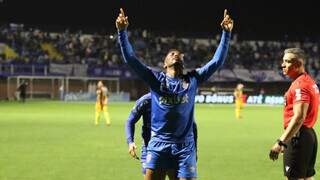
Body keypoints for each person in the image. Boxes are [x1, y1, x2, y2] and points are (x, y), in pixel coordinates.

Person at [117, 8, 233, 180]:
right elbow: (131, 59)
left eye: (178, 54)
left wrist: (226, 33)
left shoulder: (193, 79)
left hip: (185, 148)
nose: (175, 54)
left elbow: (216, 62)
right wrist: (122, 32)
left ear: (183, 62)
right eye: (171, 54)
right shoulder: (155, 80)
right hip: (158, 146)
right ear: (165, 64)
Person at [269, 48, 319, 180]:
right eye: (283, 61)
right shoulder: (308, 81)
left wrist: (281, 142)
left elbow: (298, 117)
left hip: (299, 137)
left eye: (287, 61)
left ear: (298, 64)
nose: (283, 65)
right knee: (307, 177)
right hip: (308, 135)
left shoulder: (300, 85)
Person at [125, 93, 198, 179]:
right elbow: (130, 121)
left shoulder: (177, 100)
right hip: (149, 148)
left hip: (175, 148)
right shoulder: (146, 100)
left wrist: (194, 149)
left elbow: (192, 125)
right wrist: (130, 142)